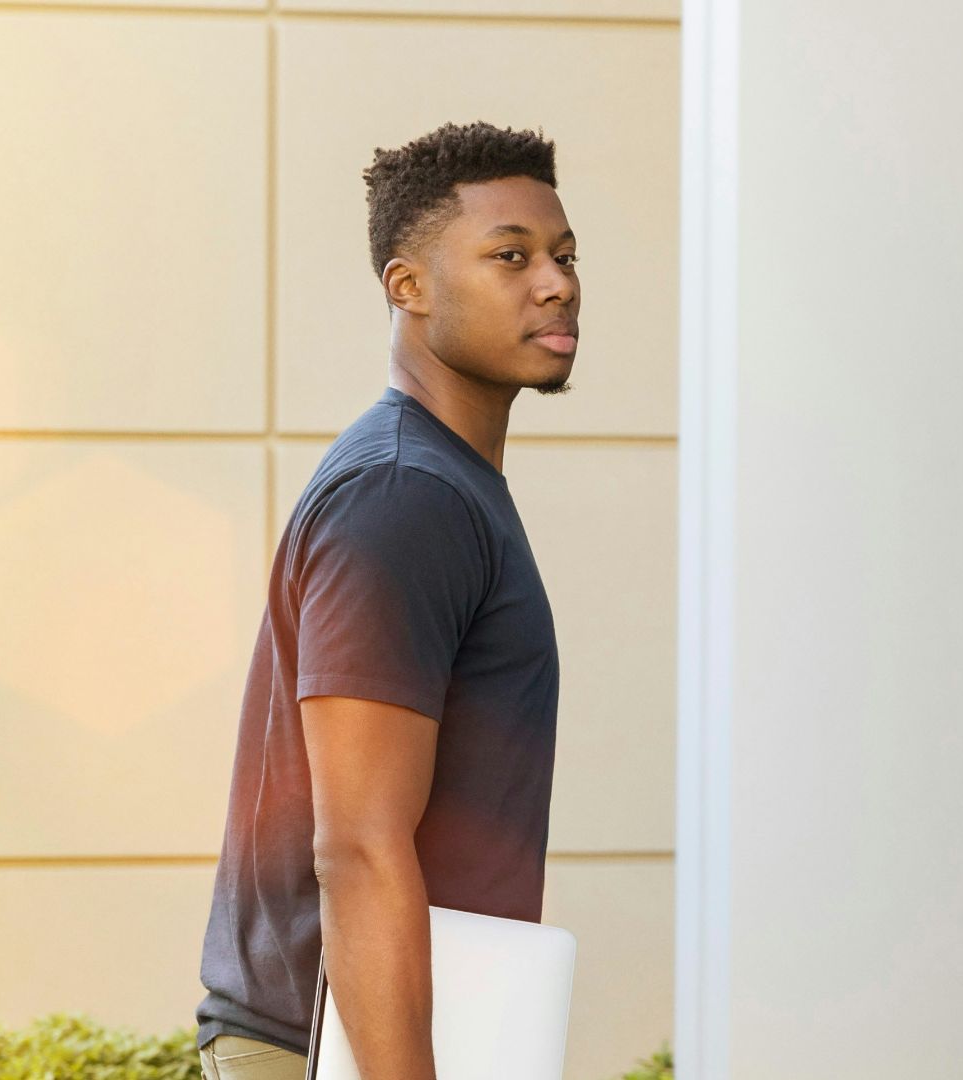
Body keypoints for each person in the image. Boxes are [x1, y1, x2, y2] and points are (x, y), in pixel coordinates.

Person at [193, 119, 579, 1080]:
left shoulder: (441, 487)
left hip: (413, 1033)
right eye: (511, 256)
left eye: (565, 255)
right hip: (333, 1048)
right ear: (407, 288)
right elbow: (358, 846)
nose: (557, 282)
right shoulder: (405, 497)